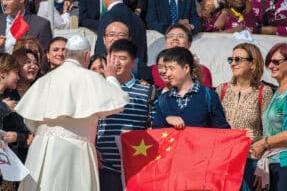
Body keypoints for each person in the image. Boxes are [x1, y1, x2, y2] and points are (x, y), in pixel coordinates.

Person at [16, 34, 129, 191]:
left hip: (41, 149)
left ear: (67, 53)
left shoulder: (45, 79)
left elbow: (30, 120)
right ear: (87, 55)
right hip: (75, 150)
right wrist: (110, 77)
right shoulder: (91, 78)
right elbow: (118, 103)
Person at [96, 39, 154, 191]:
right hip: (104, 165)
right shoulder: (98, 88)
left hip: (136, 164)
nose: (117, 63)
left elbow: (152, 126)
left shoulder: (147, 91)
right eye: (113, 58)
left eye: (123, 58)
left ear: (134, 63)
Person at [215, 43, 273, 191]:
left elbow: (269, 131)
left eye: (238, 59)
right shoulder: (222, 89)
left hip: (250, 160)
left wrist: (263, 166)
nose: (233, 63)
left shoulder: (264, 92)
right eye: (231, 59)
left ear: (252, 64)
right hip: (222, 160)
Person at [252, 42, 287, 191]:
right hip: (273, 163)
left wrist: (263, 143)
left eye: (276, 62)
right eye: (269, 62)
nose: (271, 66)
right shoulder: (278, 91)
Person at [153, 47, 230, 129]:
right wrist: (167, 119)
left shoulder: (208, 96)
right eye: (166, 69)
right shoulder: (163, 100)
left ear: (186, 68)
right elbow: (156, 135)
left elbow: (222, 131)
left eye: (171, 69)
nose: (167, 74)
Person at [0, 53, 30, 190]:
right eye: (16, 73)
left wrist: (18, 137)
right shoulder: (6, 104)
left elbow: (25, 133)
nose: (18, 77)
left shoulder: (10, 98)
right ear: (2, 73)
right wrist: (3, 107)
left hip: (6, 168)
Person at [152, 23, 213, 88]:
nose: (175, 38)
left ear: (189, 44)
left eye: (180, 36)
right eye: (170, 36)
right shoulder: (152, 70)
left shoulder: (203, 71)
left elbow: (207, 96)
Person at [94, 0, 148, 65]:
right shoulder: (138, 19)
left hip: (113, 72)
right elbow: (144, 55)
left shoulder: (108, 17)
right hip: (136, 73)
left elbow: (101, 53)